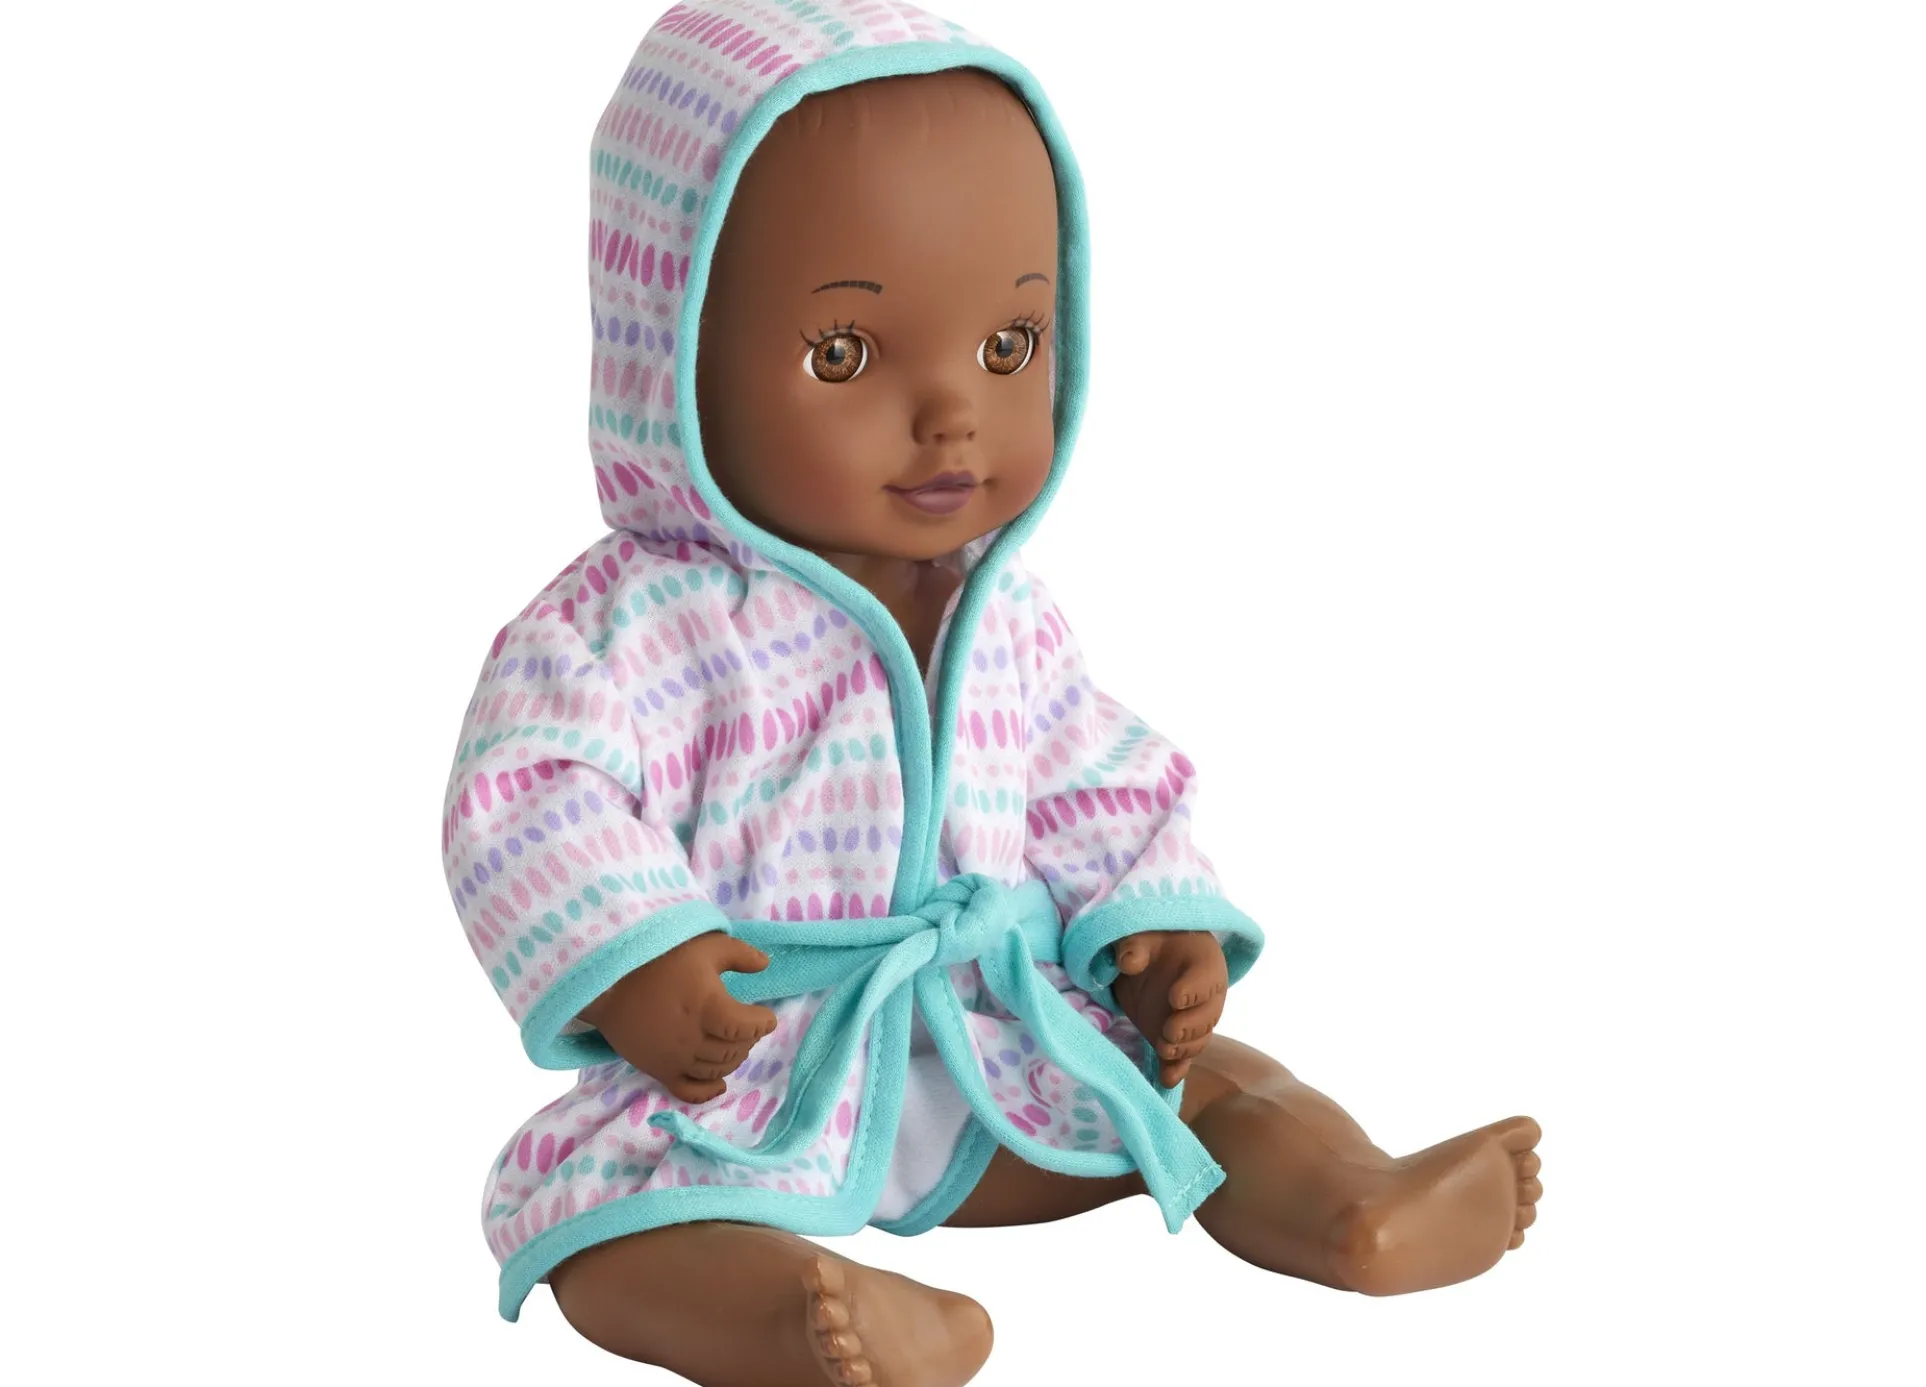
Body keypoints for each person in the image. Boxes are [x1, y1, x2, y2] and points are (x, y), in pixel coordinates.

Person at [441, 5, 1542, 1384]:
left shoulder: (999, 612)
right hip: (747, 1078)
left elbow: (1091, 774)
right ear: (665, 351)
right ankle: (800, 1313)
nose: (952, 413)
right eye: (844, 356)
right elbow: (528, 792)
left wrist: (1153, 925)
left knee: (1193, 1087)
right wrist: (637, 956)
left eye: (1008, 346)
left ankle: (1351, 1200)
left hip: (991, 1042)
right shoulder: (623, 628)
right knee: (605, 1224)